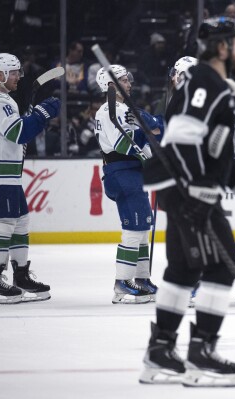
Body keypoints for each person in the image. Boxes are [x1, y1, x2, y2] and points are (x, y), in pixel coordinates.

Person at [139, 17, 235, 387]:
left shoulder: (212, 85)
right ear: (223, 48)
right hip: (190, 193)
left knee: (182, 270)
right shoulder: (205, 82)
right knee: (222, 267)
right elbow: (183, 137)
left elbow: (213, 149)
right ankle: (202, 354)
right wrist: (197, 190)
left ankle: (160, 352)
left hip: (183, 190)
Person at [0, 53, 60, 304]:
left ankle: (20, 275)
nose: (19, 76)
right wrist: (41, 114)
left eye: (19, 71)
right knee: (4, 221)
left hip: (2, 168)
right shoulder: (0, 101)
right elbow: (18, 133)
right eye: (14, 72)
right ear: (0, 75)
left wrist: (36, 116)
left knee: (20, 220)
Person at [94, 64, 163, 304]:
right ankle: (122, 282)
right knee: (134, 229)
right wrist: (146, 132)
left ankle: (142, 279)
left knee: (142, 227)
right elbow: (123, 145)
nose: (130, 84)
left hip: (131, 172)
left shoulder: (123, 109)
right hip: (122, 172)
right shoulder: (109, 110)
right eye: (124, 80)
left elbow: (143, 139)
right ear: (111, 85)